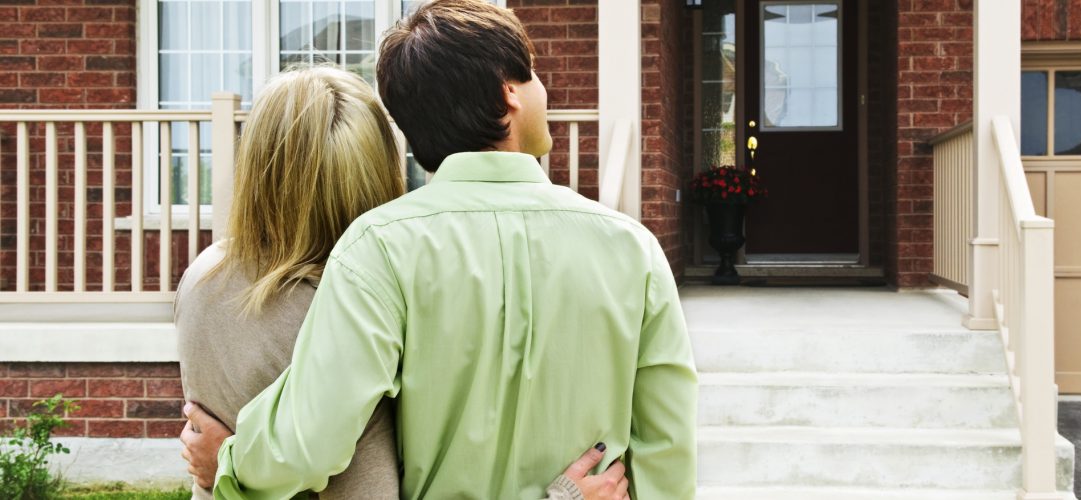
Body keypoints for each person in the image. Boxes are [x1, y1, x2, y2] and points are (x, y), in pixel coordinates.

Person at [185, 0, 698, 498]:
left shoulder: (377, 248)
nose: (544, 88)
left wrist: (227, 461)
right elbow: (666, 451)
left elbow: (311, 440)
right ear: (509, 93)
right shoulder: (632, 249)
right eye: (534, 74)